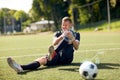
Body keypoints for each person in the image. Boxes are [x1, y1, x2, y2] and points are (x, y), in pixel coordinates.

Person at [7, 17, 80, 73]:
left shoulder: (76, 34)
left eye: (66, 25)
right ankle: (20, 67)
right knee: (43, 60)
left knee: (66, 39)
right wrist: (61, 36)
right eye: (63, 25)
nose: (64, 27)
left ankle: (52, 54)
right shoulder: (57, 33)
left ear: (71, 25)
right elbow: (54, 43)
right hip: (56, 57)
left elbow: (76, 47)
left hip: (67, 58)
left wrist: (72, 38)